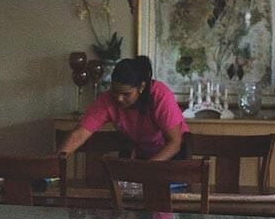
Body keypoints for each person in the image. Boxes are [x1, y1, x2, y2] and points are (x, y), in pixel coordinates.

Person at [58, 56, 188, 160]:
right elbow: (79, 134)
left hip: (172, 155)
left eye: (126, 94)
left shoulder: (160, 95)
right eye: (115, 91)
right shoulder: (107, 99)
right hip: (140, 155)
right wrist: (55, 163)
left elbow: (175, 142)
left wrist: (147, 170)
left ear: (141, 87)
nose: (119, 98)